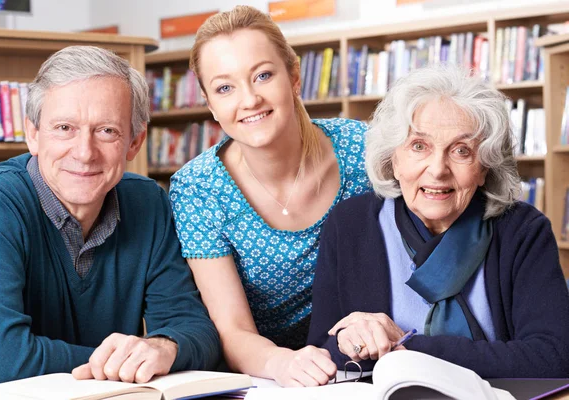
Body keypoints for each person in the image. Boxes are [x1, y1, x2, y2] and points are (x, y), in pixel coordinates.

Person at [0, 46, 220, 399]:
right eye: (64, 128)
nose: (84, 152)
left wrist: (163, 347)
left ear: (135, 142)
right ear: (33, 134)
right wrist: (126, 365)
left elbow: (196, 329)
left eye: (106, 131)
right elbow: (1, 362)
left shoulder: (149, 202)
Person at [307, 65, 569, 378]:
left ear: (484, 166)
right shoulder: (349, 224)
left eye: (461, 150)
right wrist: (351, 341)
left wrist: (412, 348)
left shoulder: (523, 230)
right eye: (419, 146)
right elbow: (324, 348)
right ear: (394, 159)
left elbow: (554, 354)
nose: (438, 169)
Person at [169, 6, 371, 387]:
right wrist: (282, 364)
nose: (249, 100)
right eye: (225, 87)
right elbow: (231, 331)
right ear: (211, 104)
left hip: (366, 363)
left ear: (294, 77)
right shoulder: (198, 190)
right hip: (265, 378)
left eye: (262, 75)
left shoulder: (362, 148)